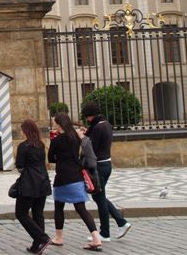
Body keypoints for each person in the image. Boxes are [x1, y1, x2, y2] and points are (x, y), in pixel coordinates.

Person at [48, 112, 102, 252]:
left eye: (55, 122)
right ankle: (96, 238)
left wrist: (59, 155)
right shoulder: (75, 137)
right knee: (81, 209)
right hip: (77, 175)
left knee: (59, 207)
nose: (54, 124)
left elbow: (51, 158)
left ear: (58, 123)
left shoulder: (57, 140)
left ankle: (59, 237)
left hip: (63, 177)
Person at [82, 102, 132, 241]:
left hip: (99, 166)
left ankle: (105, 233)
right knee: (99, 196)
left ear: (91, 115)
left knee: (100, 198)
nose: (87, 120)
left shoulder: (98, 128)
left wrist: (83, 138)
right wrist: (88, 132)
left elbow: (91, 148)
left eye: (87, 117)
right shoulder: (105, 124)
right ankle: (121, 222)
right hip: (106, 164)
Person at [15, 119, 52, 254]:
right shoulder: (40, 144)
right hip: (43, 181)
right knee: (38, 213)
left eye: (22, 129)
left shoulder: (23, 146)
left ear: (26, 131)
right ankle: (37, 246)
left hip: (29, 183)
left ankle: (43, 238)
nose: (21, 132)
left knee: (21, 213)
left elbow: (20, 166)